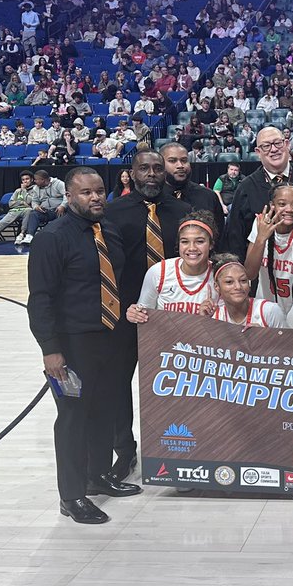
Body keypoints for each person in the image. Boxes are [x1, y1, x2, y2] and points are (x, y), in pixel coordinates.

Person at [28, 166, 140, 526]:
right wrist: (50, 350)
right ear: (70, 196)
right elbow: (40, 299)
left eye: (99, 191)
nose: (94, 198)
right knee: (73, 419)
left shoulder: (108, 230)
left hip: (110, 338)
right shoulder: (52, 237)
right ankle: (72, 495)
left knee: (104, 411)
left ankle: (98, 475)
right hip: (72, 345)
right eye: (85, 193)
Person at [102, 149, 192, 479]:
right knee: (118, 384)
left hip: (173, 317)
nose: (152, 174)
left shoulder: (183, 211)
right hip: (126, 314)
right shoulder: (112, 212)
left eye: (157, 168)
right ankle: (125, 451)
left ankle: (181, 447)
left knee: (178, 385)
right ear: (132, 173)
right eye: (145, 168)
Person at [220, 126, 293, 259]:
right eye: (266, 146)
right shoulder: (246, 187)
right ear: (258, 152)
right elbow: (235, 237)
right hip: (261, 271)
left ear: (286, 144)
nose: (274, 149)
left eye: (278, 143)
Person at [128, 211, 220, 318]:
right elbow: (143, 314)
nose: (192, 248)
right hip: (164, 335)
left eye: (199, 241)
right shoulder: (159, 272)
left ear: (211, 244)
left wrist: (214, 316)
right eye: (185, 242)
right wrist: (135, 314)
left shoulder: (220, 275)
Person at [245, 182, 293, 316]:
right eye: (282, 204)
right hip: (265, 309)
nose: (289, 209)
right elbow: (250, 274)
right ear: (272, 205)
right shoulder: (260, 224)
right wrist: (261, 238)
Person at [208, 254, 287, 327]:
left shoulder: (269, 310)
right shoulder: (216, 318)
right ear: (217, 286)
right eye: (229, 282)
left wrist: (264, 337)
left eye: (243, 280)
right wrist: (202, 320)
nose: (238, 287)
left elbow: (289, 341)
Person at [159, 141, 225, 226]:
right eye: (172, 161)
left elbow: (219, 234)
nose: (180, 165)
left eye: (184, 160)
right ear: (160, 165)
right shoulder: (152, 198)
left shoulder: (208, 196)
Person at [23, 168, 66, 244]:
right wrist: (36, 207)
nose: (34, 181)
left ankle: (61, 238)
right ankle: (29, 236)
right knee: (33, 213)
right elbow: (34, 201)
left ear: (43, 180)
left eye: (36, 179)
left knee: (64, 214)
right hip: (46, 211)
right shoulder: (36, 188)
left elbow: (67, 196)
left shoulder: (59, 184)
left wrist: (63, 206)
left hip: (59, 210)